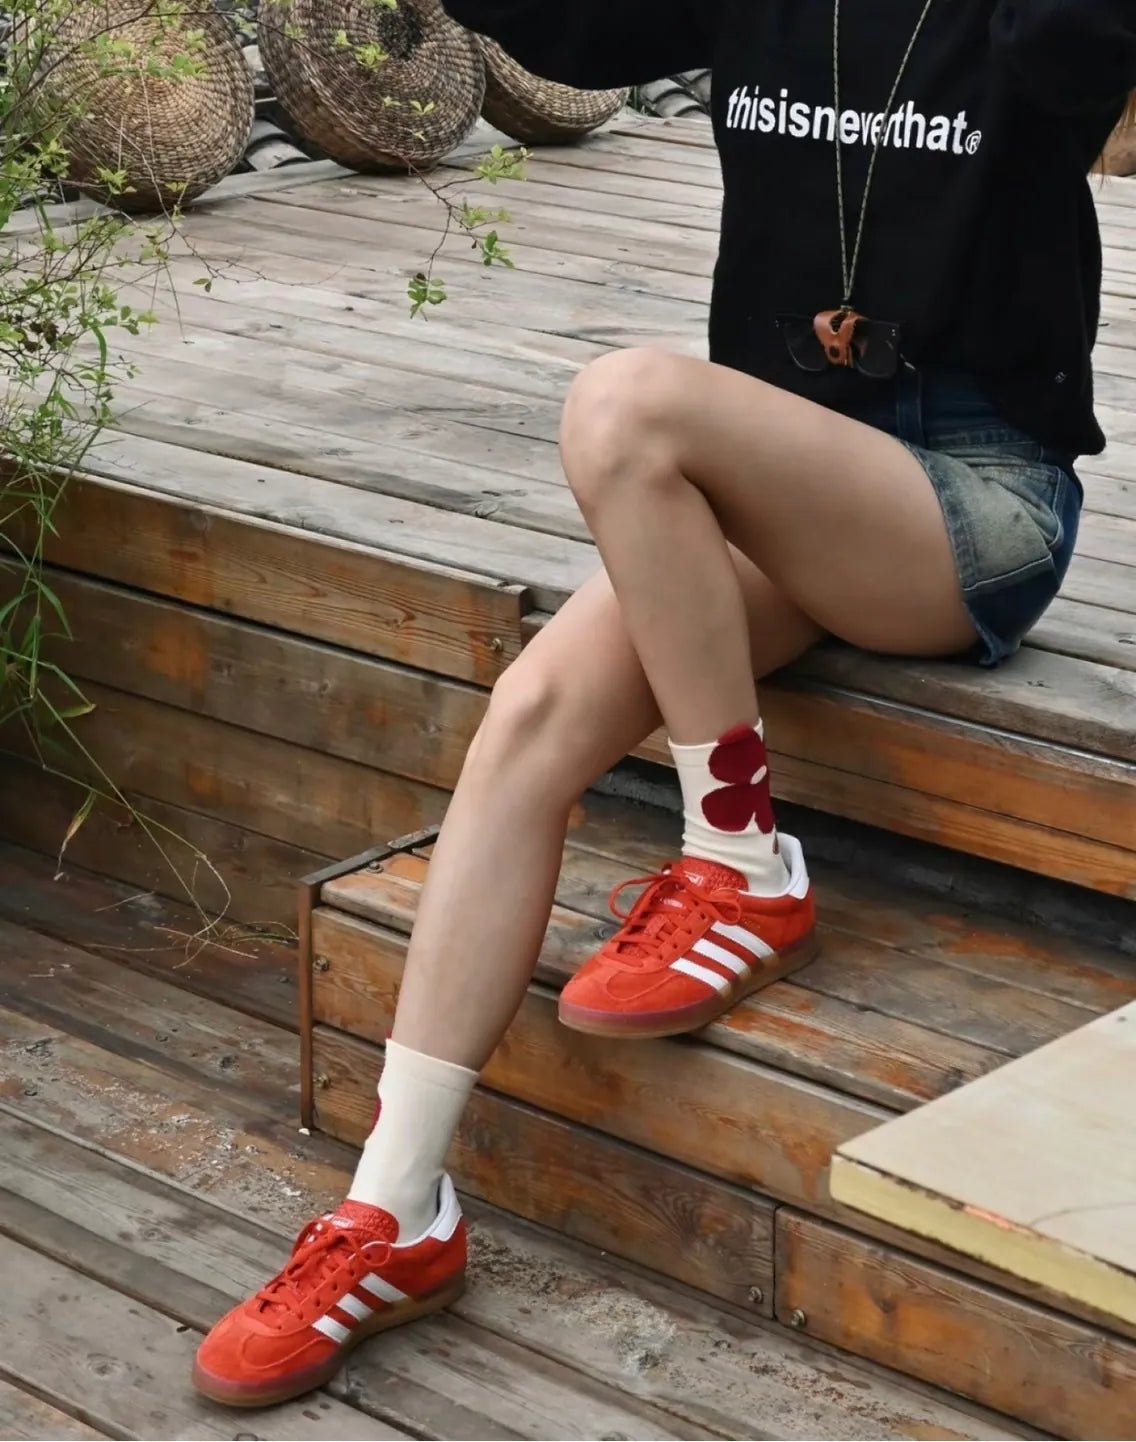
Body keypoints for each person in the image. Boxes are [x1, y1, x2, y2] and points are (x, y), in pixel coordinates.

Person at [193, 0, 1136, 1407]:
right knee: (530, 714)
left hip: (970, 502)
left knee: (627, 405)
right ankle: (396, 1208)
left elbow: (1073, 66)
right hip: (776, 481)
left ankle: (738, 854)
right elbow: (574, 36)